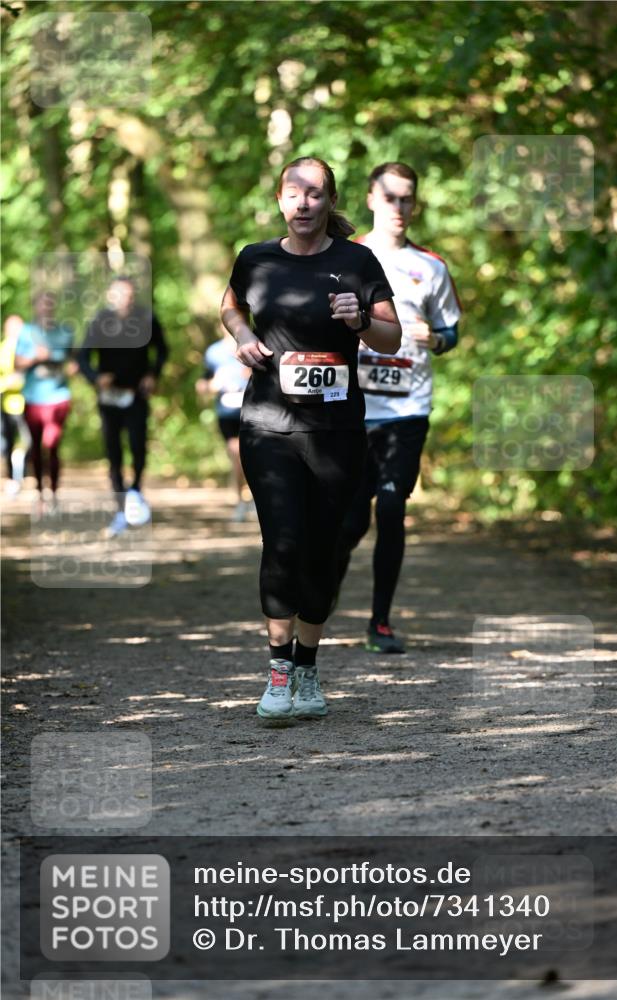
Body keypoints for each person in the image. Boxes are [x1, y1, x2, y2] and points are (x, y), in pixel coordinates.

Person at [220, 155, 401, 721]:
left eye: (315, 193)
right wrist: (242, 335)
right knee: (282, 542)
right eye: (294, 193)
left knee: (324, 546)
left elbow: (391, 337)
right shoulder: (256, 258)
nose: (304, 203)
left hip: (336, 431)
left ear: (330, 201)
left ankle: (307, 665)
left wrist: (360, 321)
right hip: (267, 425)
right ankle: (278, 672)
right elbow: (230, 306)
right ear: (280, 200)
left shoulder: (357, 261)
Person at [334, 162, 462, 653]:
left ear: (416, 203)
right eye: (389, 197)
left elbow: (450, 330)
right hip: (351, 407)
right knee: (350, 522)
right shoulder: (346, 256)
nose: (398, 206)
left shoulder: (431, 266)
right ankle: (322, 598)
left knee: (390, 508)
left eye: (407, 198)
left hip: (408, 408)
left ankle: (380, 623)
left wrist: (438, 339)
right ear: (371, 199)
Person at [78, 276, 168, 537]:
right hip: (109, 398)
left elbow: (162, 350)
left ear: (133, 296)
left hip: (136, 395)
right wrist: (96, 378)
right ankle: (120, 507)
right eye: (119, 294)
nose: (124, 299)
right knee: (113, 451)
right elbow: (83, 356)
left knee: (138, 446)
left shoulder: (146, 318)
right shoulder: (100, 321)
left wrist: (152, 374)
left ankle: (135, 491)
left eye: (128, 294)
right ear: (110, 296)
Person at [14, 293, 76, 515]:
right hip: (33, 398)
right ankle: (40, 494)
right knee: (36, 447)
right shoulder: (27, 332)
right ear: (35, 307)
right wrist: (35, 358)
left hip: (58, 397)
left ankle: (54, 494)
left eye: (50, 304)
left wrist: (73, 368)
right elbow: (16, 364)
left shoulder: (65, 332)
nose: (46, 309)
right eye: (42, 304)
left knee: (52, 444)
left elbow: (75, 360)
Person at [195, 333, 253, 522]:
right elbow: (202, 384)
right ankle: (240, 501)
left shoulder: (254, 343)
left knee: (254, 457)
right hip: (227, 415)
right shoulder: (214, 352)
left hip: (254, 412)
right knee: (236, 455)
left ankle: (255, 499)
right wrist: (212, 385)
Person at [0, 314, 31, 495]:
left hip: (28, 403)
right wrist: (8, 383)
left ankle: (20, 469)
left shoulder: (29, 349)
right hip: (7, 405)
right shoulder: (3, 349)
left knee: (29, 441)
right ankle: (13, 479)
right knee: (7, 443)